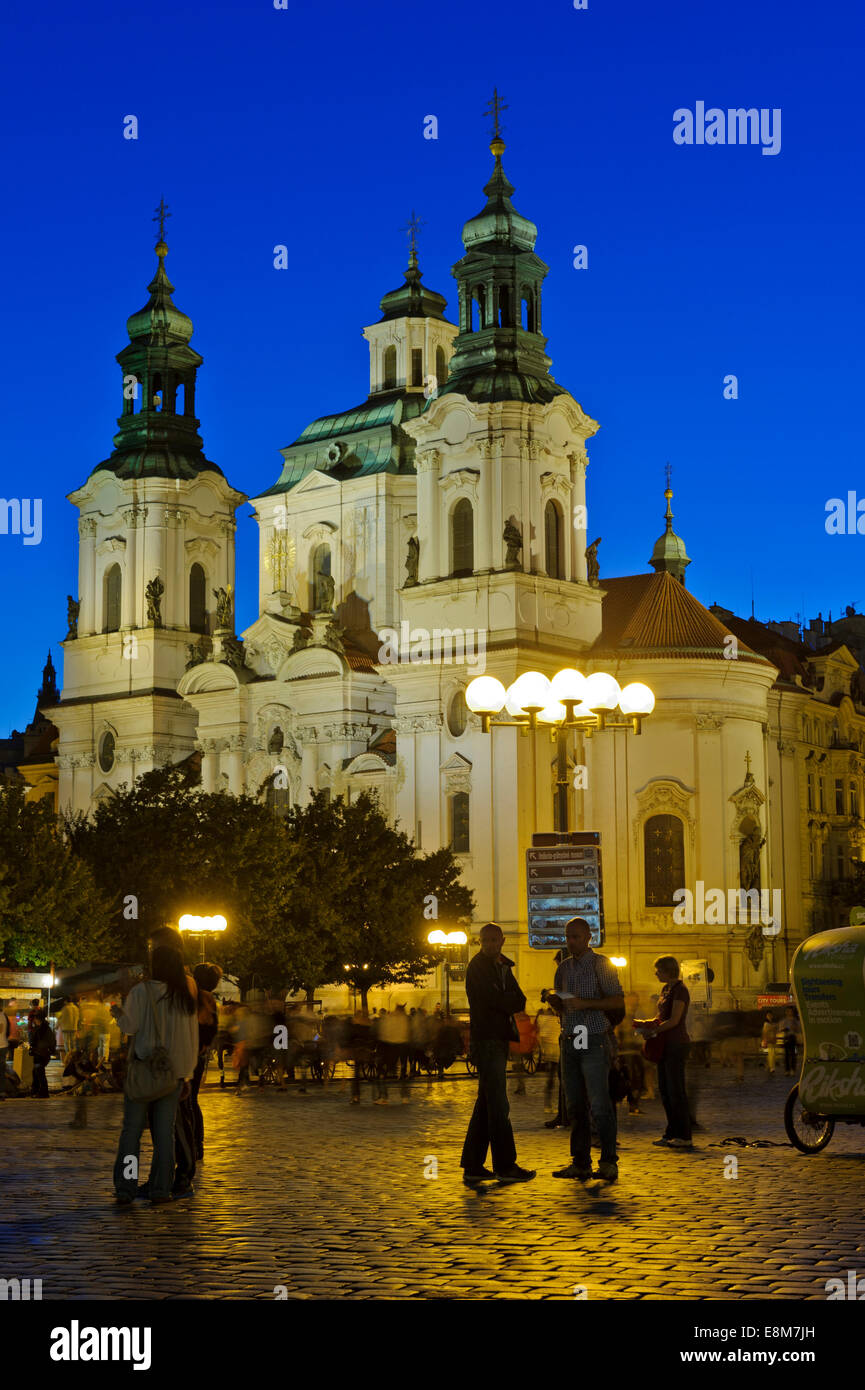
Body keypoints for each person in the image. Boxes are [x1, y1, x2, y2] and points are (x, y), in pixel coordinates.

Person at [111, 943, 198, 1206]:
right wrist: (187, 1075)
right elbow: (190, 1039)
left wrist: (117, 1014)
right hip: (171, 1074)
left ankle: (126, 1187)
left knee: (131, 1133)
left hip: (142, 1071)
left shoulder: (140, 992)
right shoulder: (183, 995)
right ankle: (161, 1189)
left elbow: (130, 1027)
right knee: (164, 1135)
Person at [545, 917, 624, 1183]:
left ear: (589, 937)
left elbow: (616, 1000)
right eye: (568, 937)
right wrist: (556, 1002)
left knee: (600, 1104)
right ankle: (580, 1162)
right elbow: (563, 1005)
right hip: (570, 1038)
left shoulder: (601, 965)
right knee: (575, 1105)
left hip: (592, 1036)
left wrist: (585, 1004)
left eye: (576, 937)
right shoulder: (563, 968)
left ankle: (608, 1161)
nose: (571, 942)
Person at [460, 922, 536, 1185]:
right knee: (498, 1105)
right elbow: (493, 1001)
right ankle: (505, 1165)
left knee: (486, 1104)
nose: (490, 945)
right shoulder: (477, 968)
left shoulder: (503, 967)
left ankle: (473, 1164)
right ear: (480, 942)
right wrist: (505, 1000)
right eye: (486, 941)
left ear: (502, 940)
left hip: (498, 1038)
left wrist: (504, 999)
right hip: (486, 1040)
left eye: (494, 940)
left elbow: (519, 999)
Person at [634, 956, 693, 1150]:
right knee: (666, 1091)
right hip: (663, 1044)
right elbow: (662, 1017)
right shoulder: (665, 989)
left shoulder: (680, 991)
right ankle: (671, 1133)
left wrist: (653, 1031)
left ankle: (684, 1135)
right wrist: (646, 1024)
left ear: (668, 971)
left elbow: (675, 1020)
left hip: (676, 1043)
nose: (656, 973)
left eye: (658, 970)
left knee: (676, 1091)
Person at [190, 962, 222, 1159]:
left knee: (190, 1101)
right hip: (199, 1054)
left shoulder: (200, 998)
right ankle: (197, 1144)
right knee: (193, 1100)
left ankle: (195, 1143)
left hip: (192, 1053)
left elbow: (203, 1027)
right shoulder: (210, 1000)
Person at [28, 1008, 56, 1097]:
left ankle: (43, 1091)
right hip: (40, 1053)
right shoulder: (42, 1028)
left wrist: (49, 1050)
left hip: (42, 1053)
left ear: (37, 1019)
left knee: (39, 1070)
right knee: (36, 1071)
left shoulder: (43, 1029)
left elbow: (48, 1042)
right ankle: (36, 1090)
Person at [777, 1006, 799, 1075]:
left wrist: (794, 1027)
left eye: (791, 1011)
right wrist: (784, 1029)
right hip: (786, 1037)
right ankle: (787, 1070)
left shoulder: (795, 1020)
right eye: (788, 1011)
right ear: (786, 1012)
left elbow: (798, 1029)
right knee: (786, 1055)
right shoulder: (784, 1020)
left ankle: (793, 1069)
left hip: (793, 1037)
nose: (790, 1012)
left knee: (793, 1054)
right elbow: (780, 1028)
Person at [56, 997, 80, 1061]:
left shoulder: (64, 1008)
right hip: (74, 1028)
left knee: (67, 1043)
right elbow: (78, 1018)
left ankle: (68, 1057)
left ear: (66, 1001)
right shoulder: (76, 1008)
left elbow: (60, 1018)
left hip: (66, 1028)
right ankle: (73, 1057)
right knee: (73, 1043)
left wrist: (57, 1025)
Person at [761, 1011, 777, 1076]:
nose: (770, 1016)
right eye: (768, 1015)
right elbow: (764, 1032)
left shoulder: (772, 1023)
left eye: (770, 1015)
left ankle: (769, 1066)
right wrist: (765, 1040)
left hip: (772, 1039)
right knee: (771, 1054)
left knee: (771, 1054)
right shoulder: (766, 1024)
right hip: (769, 1040)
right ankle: (772, 1067)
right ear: (766, 1016)